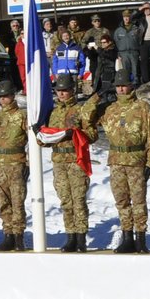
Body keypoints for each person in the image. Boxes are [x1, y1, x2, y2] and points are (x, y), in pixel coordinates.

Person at [97, 70, 150, 253]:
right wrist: (96, 99)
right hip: (116, 161)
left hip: (136, 161)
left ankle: (140, 238)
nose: (121, 89)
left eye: (124, 85)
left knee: (138, 201)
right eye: (118, 86)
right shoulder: (110, 109)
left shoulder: (142, 107)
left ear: (131, 86)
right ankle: (127, 237)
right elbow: (86, 119)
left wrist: (149, 164)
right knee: (122, 201)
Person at [37, 74, 99, 252]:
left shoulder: (80, 110)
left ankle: (81, 238)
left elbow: (92, 134)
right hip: (59, 161)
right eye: (59, 91)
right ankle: (70, 235)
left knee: (78, 200)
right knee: (65, 200)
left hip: (75, 159)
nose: (62, 94)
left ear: (72, 91)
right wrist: (38, 134)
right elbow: (45, 140)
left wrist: (77, 134)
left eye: (65, 90)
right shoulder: (53, 112)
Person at [0, 82, 29, 251]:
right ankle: (7, 234)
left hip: (16, 163)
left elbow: (33, 137)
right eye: (0, 96)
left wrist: (28, 162)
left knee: (17, 201)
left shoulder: (22, 115)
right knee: (2, 202)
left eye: (6, 96)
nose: (3, 99)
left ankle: (18, 236)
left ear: (13, 96)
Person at [114, 10, 144, 85]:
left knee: (135, 70)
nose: (126, 19)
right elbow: (115, 42)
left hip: (134, 52)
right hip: (123, 53)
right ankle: (127, 85)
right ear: (123, 18)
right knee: (125, 71)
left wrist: (139, 52)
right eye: (125, 17)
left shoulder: (136, 29)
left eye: (128, 17)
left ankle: (135, 85)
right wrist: (118, 54)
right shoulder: (118, 30)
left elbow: (140, 40)